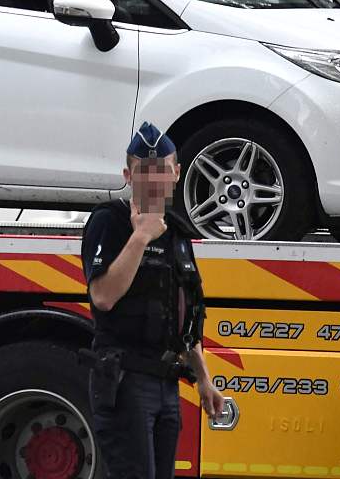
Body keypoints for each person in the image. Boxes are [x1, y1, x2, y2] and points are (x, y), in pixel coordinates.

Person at [80, 122, 226, 479]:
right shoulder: (109, 222)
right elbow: (103, 297)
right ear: (128, 175)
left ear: (176, 174)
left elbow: (184, 314)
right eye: (144, 172)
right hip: (125, 381)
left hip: (166, 383)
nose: (153, 180)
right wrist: (141, 236)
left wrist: (204, 377)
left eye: (162, 171)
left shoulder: (177, 233)